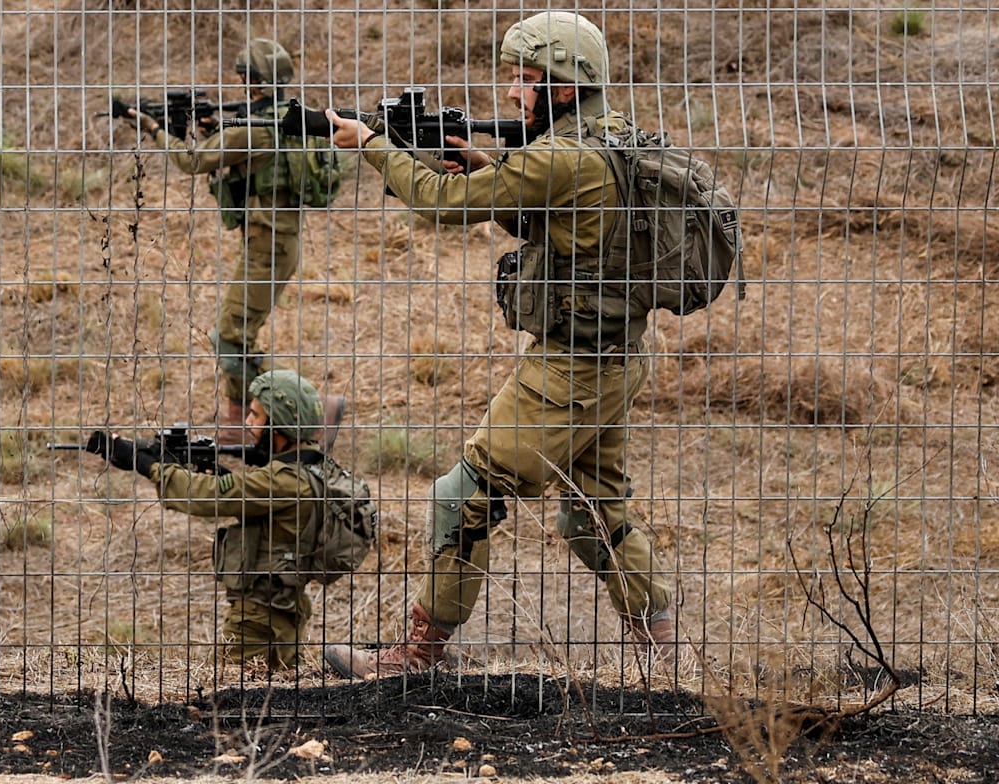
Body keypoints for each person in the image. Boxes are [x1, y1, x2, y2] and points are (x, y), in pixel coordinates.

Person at [319, 11, 676, 678]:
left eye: (526, 80)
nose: (514, 93)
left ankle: (419, 656)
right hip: (617, 354)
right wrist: (486, 165)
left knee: (463, 494)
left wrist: (368, 142)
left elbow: (438, 204)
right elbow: (565, 216)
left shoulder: (557, 155)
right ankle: (665, 652)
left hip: (570, 368)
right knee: (595, 513)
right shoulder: (612, 137)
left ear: (563, 88)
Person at [122, 38, 345, 449]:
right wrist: (215, 130)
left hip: (268, 246)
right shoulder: (285, 119)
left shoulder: (256, 131)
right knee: (238, 334)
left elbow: (191, 160)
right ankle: (242, 422)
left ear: (252, 80)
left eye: (244, 78)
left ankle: (311, 413)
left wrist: (152, 129)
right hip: (274, 242)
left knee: (229, 337)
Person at [86, 370, 357, 672]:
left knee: (228, 699)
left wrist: (147, 464)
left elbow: (205, 496)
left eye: (256, 416)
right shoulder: (313, 469)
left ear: (279, 425)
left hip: (258, 619)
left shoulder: (284, 480)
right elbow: (273, 513)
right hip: (283, 609)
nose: (248, 423)